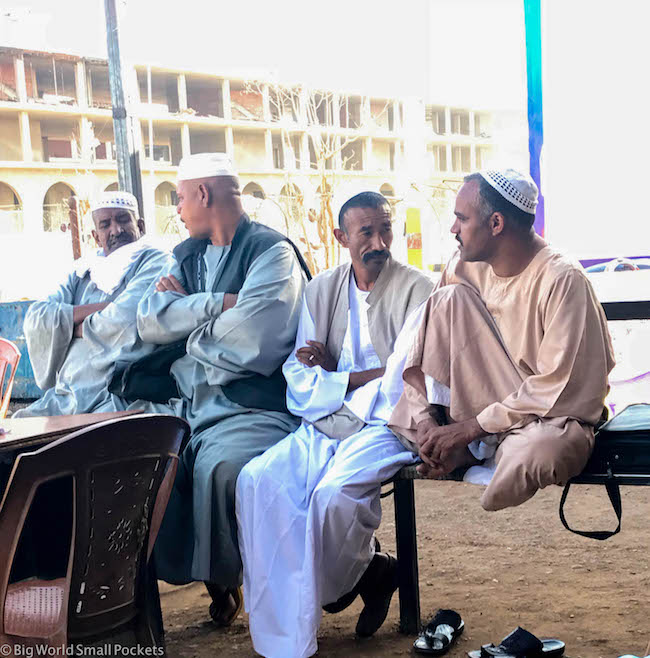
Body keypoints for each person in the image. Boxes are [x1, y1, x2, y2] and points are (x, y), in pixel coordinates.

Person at [236, 191, 433, 658]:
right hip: (324, 421)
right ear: (342, 237)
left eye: (385, 229)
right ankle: (303, 624)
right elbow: (299, 371)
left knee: (332, 496)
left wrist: (337, 378)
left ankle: (346, 584)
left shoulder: (418, 290)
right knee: (256, 480)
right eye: (366, 232)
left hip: (388, 423)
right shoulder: (322, 289)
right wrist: (332, 382)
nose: (379, 241)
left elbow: (403, 375)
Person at [135, 153, 309, 626]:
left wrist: (186, 329)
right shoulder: (185, 254)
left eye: (180, 198)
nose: (178, 209)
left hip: (255, 409)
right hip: (193, 408)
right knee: (146, 469)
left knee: (225, 471)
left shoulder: (272, 252)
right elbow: (149, 321)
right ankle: (219, 581)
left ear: (204, 195)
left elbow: (255, 339)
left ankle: (360, 575)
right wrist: (217, 305)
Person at [389, 168, 615, 511]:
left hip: (548, 414)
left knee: (543, 450)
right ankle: (470, 450)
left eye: (461, 219)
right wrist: (427, 424)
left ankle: (477, 450)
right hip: (478, 412)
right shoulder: (463, 266)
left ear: (496, 224)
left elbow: (558, 388)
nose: (453, 229)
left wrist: (469, 429)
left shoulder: (562, 279)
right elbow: (422, 347)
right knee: (447, 301)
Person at [14, 191, 170, 418]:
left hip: (117, 394)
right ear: (96, 236)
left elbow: (125, 320)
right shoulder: (83, 270)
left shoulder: (155, 260)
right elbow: (36, 318)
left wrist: (65, 326)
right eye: (105, 225)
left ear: (141, 225)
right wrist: (101, 308)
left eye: (123, 219)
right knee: (16, 433)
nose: (116, 230)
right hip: (65, 396)